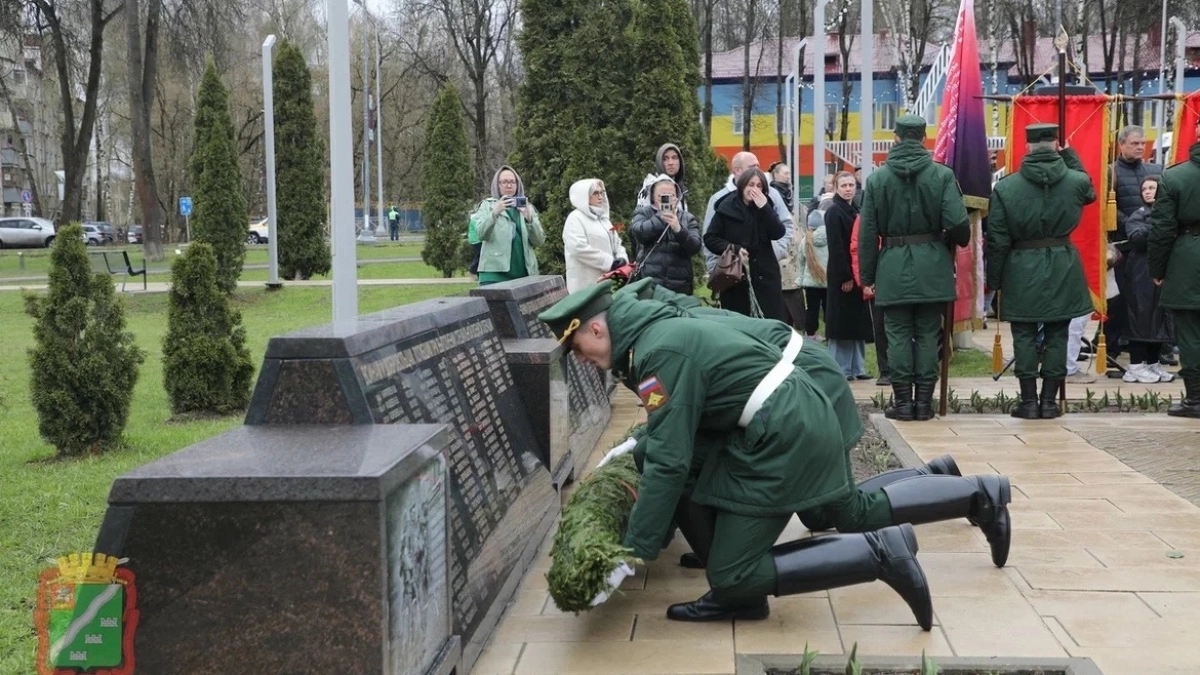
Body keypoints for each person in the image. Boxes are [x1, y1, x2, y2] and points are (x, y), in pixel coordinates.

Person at [538, 281, 1011, 625]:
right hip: (790, 415)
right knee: (842, 508)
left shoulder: (657, 353)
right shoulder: (652, 339)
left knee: (755, 561)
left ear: (597, 329)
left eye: (575, 345)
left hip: (786, 427)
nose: (578, 358)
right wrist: (640, 448)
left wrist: (633, 550)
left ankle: (880, 553)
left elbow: (671, 457)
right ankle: (971, 494)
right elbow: (676, 433)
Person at [859, 115, 971, 420]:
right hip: (932, 264)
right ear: (924, 139)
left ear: (895, 138)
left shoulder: (876, 179)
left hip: (893, 265)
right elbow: (958, 222)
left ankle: (903, 403)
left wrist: (867, 276)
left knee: (896, 334)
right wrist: (960, 237)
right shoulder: (942, 175)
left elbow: (868, 233)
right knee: (927, 333)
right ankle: (924, 403)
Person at [986, 124, 1095, 419]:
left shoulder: (1007, 187)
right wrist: (1070, 154)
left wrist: (994, 280)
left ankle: (1029, 402)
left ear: (1027, 146)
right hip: (1063, 263)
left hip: (1022, 266)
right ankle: (1049, 403)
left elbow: (996, 238)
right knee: (1058, 333)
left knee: (1023, 334)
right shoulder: (1074, 181)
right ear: (1055, 143)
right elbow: (1091, 191)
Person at [1148, 117, 1200, 417]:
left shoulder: (1175, 177)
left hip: (1187, 259)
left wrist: (1158, 269)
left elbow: (1162, 229)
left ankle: (1195, 398)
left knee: (1190, 333)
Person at [704, 168, 787, 320]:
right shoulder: (726, 207)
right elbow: (710, 238)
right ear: (742, 186)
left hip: (765, 276)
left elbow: (778, 233)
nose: (754, 189)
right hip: (735, 276)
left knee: (769, 320)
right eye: (750, 185)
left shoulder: (765, 205)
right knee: (740, 322)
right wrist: (733, 248)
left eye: (759, 186)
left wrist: (765, 208)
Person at [702, 152, 794, 277]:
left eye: (758, 166)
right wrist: (714, 268)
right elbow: (709, 237)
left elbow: (786, 225)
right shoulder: (719, 199)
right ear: (737, 170)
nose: (757, 170)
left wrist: (778, 251)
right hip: (732, 272)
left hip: (766, 270)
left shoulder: (771, 194)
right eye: (752, 167)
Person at [1121, 176, 1176, 383]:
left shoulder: (1169, 214)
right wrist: (1161, 228)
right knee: (1141, 317)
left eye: (1152, 188)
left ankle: (1153, 363)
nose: (1148, 192)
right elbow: (1136, 238)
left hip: (1161, 271)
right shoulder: (1138, 215)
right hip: (1140, 272)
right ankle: (1135, 365)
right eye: (1144, 189)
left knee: (1158, 319)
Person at [824, 170, 874, 379]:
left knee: (856, 322)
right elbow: (836, 247)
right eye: (843, 186)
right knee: (842, 324)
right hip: (842, 273)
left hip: (856, 273)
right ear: (835, 188)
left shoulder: (855, 210)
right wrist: (845, 276)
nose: (847, 189)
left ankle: (857, 368)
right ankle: (841, 368)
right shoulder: (835, 211)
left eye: (851, 185)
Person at [472, 165, 545, 285]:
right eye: (504, 182)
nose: (509, 185)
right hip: (494, 275)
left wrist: (529, 219)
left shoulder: (527, 207)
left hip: (524, 275)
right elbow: (480, 234)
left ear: (518, 184)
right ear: (497, 185)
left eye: (512, 182)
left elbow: (539, 241)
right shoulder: (487, 205)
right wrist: (494, 213)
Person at [629, 175, 702, 294]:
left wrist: (679, 230)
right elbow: (639, 233)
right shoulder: (643, 213)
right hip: (651, 284)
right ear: (652, 197)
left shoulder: (687, 218)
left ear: (677, 197)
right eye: (662, 197)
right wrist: (660, 218)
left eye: (670, 196)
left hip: (680, 285)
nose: (666, 200)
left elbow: (695, 247)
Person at [563, 178, 628, 292]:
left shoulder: (604, 220)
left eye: (602, 192)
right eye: (595, 193)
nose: (600, 197)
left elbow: (617, 242)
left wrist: (622, 258)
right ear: (584, 196)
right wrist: (608, 262)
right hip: (585, 285)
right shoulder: (575, 218)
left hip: (608, 282)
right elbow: (578, 248)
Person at [801, 199, 831, 341]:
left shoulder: (806, 239)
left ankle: (810, 334)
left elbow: (801, 260)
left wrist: (801, 278)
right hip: (827, 279)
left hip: (810, 280)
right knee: (828, 308)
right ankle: (831, 332)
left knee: (811, 308)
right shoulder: (831, 238)